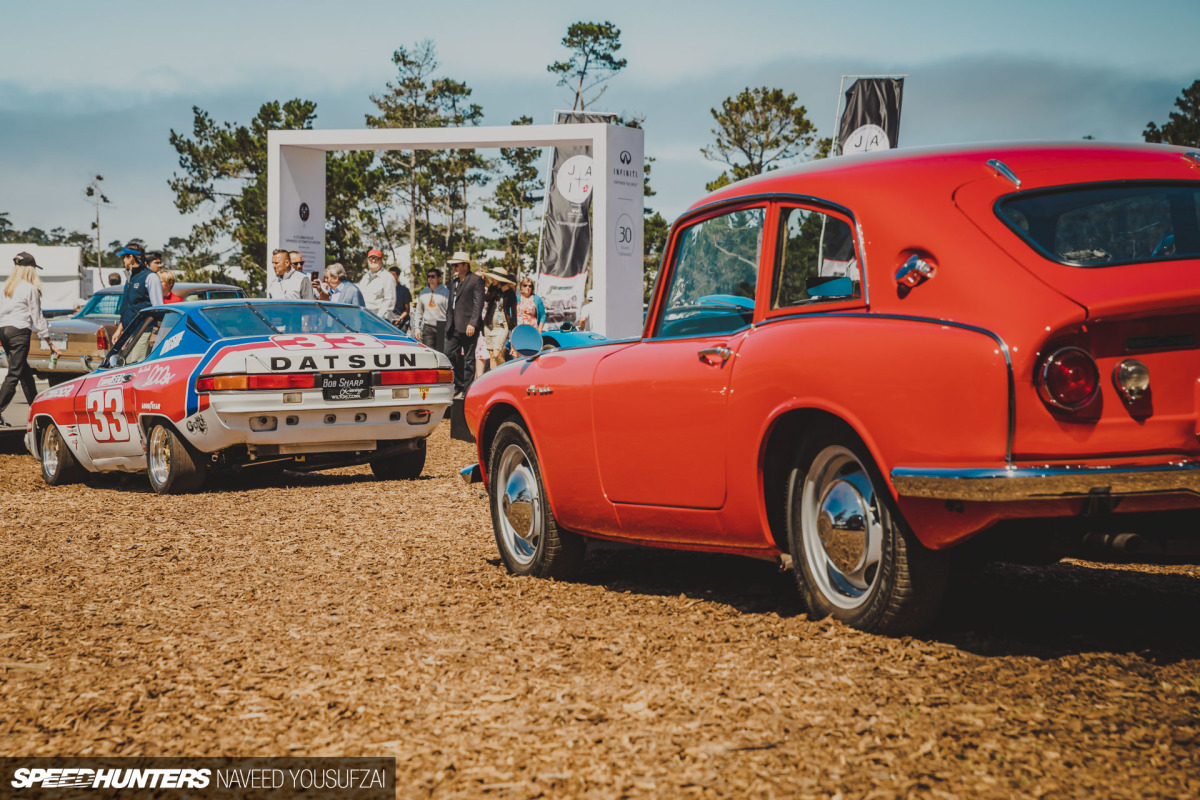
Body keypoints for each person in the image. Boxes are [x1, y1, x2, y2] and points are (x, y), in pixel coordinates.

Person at [0, 252, 61, 426]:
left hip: (4, 330)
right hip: (19, 332)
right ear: (30, 270)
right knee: (14, 373)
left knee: (23, 372)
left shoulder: (7, 288)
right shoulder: (30, 289)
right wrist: (50, 343)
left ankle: (37, 409)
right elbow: (38, 318)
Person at [443, 251, 484, 397]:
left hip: (468, 326)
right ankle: (458, 385)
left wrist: (473, 323)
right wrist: (449, 320)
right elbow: (451, 304)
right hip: (453, 326)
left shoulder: (475, 280)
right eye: (453, 265)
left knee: (469, 360)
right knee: (448, 355)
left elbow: (478, 303)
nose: (454, 267)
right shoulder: (454, 282)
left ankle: (467, 391)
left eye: (456, 265)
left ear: (465, 265)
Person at [114, 241, 162, 342]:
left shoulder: (150, 277)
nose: (123, 260)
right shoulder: (130, 277)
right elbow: (128, 306)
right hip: (128, 332)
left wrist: (155, 333)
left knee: (136, 359)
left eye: (124, 257)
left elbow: (158, 308)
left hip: (143, 332)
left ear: (131, 257)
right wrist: (119, 330)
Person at [481, 265, 517, 369]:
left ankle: (505, 371)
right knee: (492, 356)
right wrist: (499, 290)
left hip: (502, 327)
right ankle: (494, 379)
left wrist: (513, 327)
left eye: (494, 278)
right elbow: (486, 298)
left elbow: (513, 310)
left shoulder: (510, 293)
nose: (492, 280)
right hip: (490, 326)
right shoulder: (493, 289)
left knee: (497, 354)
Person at [413, 267, 449, 351]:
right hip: (428, 326)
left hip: (442, 325)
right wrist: (417, 328)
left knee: (441, 352)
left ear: (439, 278)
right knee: (429, 352)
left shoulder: (446, 293)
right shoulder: (423, 293)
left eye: (433, 276)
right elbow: (419, 312)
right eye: (428, 276)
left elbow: (449, 312)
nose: (430, 279)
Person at [361, 248, 396, 321]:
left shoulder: (388, 277)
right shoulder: (365, 278)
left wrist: (378, 319)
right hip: (364, 318)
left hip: (380, 321)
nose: (373, 260)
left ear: (381, 261)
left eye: (376, 258)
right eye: (371, 258)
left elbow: (389, 301)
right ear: (367, 261)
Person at [388, 266, 413, 333]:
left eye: (393, 275)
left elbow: (407, 310)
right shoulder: (385, 290)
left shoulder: (404, 291)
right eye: (389, 275)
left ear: (398, 276)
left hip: (402, 323)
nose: (391, 277)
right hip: (388, 323)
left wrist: (399, 319)